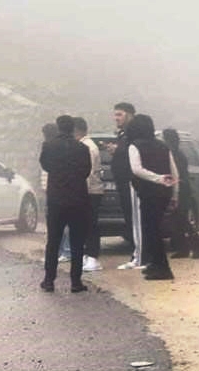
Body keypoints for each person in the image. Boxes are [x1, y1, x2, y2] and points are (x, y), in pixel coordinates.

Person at [39, 115, 92, 293]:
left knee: (53, 240)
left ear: (58, 127)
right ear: (72, 128)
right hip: (78, 199)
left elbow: (45, 165)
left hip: (56, 199)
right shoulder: (82, 148)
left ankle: (49, 280)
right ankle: (76, 282)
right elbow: (86, 171)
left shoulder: (49, 146)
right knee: (77, 242)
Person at [127, 114, 177, 281]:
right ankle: (154, 264)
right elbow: (174, 170)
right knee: (154, 228)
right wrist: (174, 192)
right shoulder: (163, 146)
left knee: (151, 230)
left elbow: (136, 169)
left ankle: (162, 268)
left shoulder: (134, 146)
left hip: (148, 191)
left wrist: (157, 178)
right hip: (164, 192)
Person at [109, 102, 145, 270]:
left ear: (130, 115)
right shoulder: (124, 135)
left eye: (120, 114)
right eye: (115, 115)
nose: (116, 118)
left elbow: (134, 155)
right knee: (130, 220)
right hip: (123, 183)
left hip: (133, 183)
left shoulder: (135, 134)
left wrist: (118, 151)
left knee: (137, 221)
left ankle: (140, 256)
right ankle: (137, 253)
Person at [162, 128, 199, 259]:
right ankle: (183, 248)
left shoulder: (175, 154)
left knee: (182, 219)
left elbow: (177, 173)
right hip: (177, 188)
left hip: (181, 189)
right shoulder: (174, 153)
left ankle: (197, 246)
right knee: (176, 221)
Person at [73, 117, 104, 272]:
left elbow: (88, 173)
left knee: (91, 225)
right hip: (86, 191)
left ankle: (93, 257)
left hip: (90, 191)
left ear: (76, 130)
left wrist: (81, 192)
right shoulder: (82, 145)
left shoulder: (88, 147)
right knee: (84, 225)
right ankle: (87, 255)